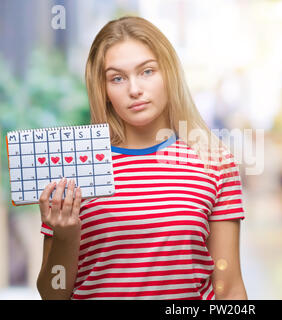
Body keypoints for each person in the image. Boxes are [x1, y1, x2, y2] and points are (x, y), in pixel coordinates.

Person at [36, 16, 247, 300]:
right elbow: (52, 294)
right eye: (117, 78)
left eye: (147, 71)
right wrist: (65, 237)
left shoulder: (213, 162)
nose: (134, 89)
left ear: (168, 74)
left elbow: (229, 287)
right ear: (105, 90)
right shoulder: (73, 164)